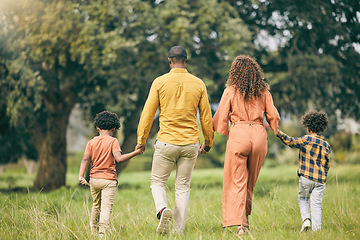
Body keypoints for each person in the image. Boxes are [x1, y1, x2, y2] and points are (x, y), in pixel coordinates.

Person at [136, 46, 214, 234]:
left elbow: (148, 114)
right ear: (186, 61)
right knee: (183, 187)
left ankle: (162, 209)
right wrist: (208, 141)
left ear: (169, 61)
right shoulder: (198, 84)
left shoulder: (159, 82)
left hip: (166, 142)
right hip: (190, 144)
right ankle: (178, 231)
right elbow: (205, 116)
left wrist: (141, 139)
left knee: (157, 182)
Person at [212, 55, 280, 236]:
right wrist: (276, 130)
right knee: (250, 182)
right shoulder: (264, 92)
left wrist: (217, 132)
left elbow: (220, 116)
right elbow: (273, 115)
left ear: (235, 73)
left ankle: (240, 224)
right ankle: (246, 220)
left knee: (237, 181)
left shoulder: (230, 90)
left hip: (239, 135)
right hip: (259, 136)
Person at [78, 110, 143, 236]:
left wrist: (81, 176)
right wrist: (135, 153)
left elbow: (85, 159)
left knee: (96, 205)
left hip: (94, 179)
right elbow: (119, 158)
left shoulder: (91, 142)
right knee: (106, 207)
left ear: (97, 127)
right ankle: (103, 234)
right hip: (108, 180)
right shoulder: (113, 141)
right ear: (114, 128)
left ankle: (93, 231)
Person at [276, 110, 331, 232]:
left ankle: (306, 220)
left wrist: (278, 132)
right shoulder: (326, 145)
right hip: (320, 180)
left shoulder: (306, 139)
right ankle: (317, 231)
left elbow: (291, 142)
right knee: (316, 205)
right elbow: (328, 164)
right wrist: (323, 175)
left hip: (306, 177)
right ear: (322, 127)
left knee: (303, 199)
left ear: (308, 127)